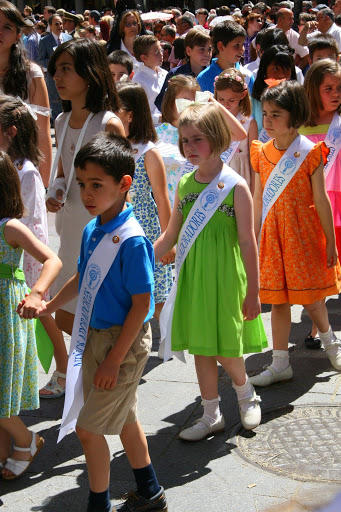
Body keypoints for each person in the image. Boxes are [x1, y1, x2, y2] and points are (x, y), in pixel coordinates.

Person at [38, 132, 167, 512]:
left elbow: (141, 305)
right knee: (126, 418)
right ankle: (151, 492)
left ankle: (99, 504)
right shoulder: (93, 228)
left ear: (125, 184)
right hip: (95, 336)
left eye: (97, 184)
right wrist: (51, 304)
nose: (87, 194)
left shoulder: (131, 240)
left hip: (122, 345)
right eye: (82, 184)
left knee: (88, 429)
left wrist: (114, 359)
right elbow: (83, 275)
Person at [154, 101, 267, 441]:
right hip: (194, 276)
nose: (190, 147)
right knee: (202, 347)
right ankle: (210, 414)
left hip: (227, 277)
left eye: (197, 139)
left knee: (225, 347)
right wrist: (144, 257)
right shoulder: (186, 185)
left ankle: (246, 393)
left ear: (217, 140)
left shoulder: (234, 187)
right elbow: (172, 233)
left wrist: (254, 291)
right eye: (185, 140)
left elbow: (248, 241)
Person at [249, 80, 341, 387]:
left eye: (276, 114)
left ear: (295, 116)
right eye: (266, 113)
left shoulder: (311, 152)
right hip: (273, 237)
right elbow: (260, 198)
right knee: (278, 301)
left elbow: (321, 199)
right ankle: (279, 363)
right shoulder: (260, 153)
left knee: (313, 299)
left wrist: (329, 240)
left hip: (303, 235)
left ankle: (331, 345)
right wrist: (254, 234)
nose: (269, 120)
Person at [46, 39, 124, 341]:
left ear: (90, 73)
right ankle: (80, 367)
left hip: (100, 234)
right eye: (55, 70)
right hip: (69, 233)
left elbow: (121, 188)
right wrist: (58, 190)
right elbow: (64, 172)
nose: (57, 77)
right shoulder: (62, 119)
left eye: (66, 69)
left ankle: (94, 370)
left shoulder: (109, 124)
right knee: (65, 312)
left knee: (98, 313)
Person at [0, 151, 61, 479]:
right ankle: (6, 451)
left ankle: (26, 440)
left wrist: (37, 292)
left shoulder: (9, 227)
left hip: (4, 317)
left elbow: (52, 259)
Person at [0, 95, 66, 398]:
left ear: (10, 131)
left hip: (25, 251)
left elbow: (23, 214)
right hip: (14, 248)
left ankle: (64, 370)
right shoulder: (10, 164)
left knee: (42, 312)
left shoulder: (24, 170)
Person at [116, 82, 174, 324]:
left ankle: (169, 337)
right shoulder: (113, 145)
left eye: (115, 108)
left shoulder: (147, 151)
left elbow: (161, 199)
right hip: (117, 224)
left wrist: (168, 241)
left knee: (155, 289)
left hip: (145, 226)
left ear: (130, 114)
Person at [299, 59, 341, 348]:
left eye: (340, 88)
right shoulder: (301, 125)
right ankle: (317, 327)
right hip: (318, 205)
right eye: (329, 88)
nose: (336, 93)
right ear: (313, 91)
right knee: (322, 263)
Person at [0, 0, 52, 188]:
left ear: (17, 36)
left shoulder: (32, 75)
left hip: (20, 175)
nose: (0, 31)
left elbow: (44, 134)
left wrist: (44, 186)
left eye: (7, 27)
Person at [214, 69, 258, 192]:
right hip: (217, 175)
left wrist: (254, 191)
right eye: (221, 99)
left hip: (240, 174)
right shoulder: (213, 118)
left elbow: (254, 160)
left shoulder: (249, 123)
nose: (226, 105)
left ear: (243, 95)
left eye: (231, 100)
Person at [155, 28, 212, 111]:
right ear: (189, 51)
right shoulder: (176, 74)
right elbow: (161, 102)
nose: (207, 54)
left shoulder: (213, 74)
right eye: (202, 49)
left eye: (209, 49)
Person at [197, 20, 255, 94]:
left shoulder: (248, 76)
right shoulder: (203, 78)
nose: (242, 50)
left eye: (243, 44)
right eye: (237, 45)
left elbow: (251, 104)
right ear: (221, 46)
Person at [251, 45, 297, 133]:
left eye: (286, 69)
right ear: (264, 71)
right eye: (276, 69)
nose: (281, 74)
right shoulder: (252, 103)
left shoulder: (297, 100)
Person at [38, 14, 73, 122]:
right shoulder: (44, 41)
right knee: (56, 102)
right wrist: (56, 63)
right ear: (50, 26)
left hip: (69, 77)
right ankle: (59, 123)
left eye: (61, 23)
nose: (59, 26)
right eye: (56, 24)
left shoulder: (69, 38)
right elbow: (40, 60)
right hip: (53, 78)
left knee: (69, 99)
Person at [132, 35, 167, 124]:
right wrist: (159, 118)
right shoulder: (138, 80)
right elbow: (138, 112)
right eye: (156, 52)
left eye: (161, 50)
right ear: (144, 58)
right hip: (151, 127)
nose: (161, 54)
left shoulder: (165, 73)